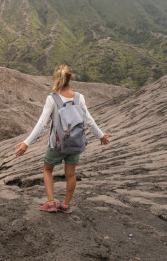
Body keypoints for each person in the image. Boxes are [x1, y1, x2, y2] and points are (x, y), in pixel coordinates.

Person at [15, 64, 110, 214]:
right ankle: (65, 205)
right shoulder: (79, 98)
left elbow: (41, 124)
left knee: (47, 170)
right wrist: (101, 136)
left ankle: (51, 203)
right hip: (75, 142)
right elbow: (89, 120)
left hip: (57, 144)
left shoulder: (52, 99)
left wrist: (27, 143)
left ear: (56, 78)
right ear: (71, 78)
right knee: (71, 174)